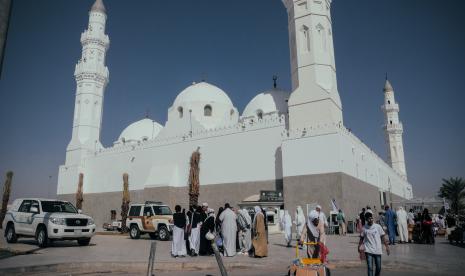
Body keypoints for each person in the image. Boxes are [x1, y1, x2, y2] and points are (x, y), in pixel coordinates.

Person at [358, 212, 390, 276]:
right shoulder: (364, 228)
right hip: (368, 250)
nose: (371, 220)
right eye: (369, 219)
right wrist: (359, 247)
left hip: (377, 250)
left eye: (371, 218)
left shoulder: (378, 227)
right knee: (370, 268)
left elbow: (383, 237)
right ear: (366, 220)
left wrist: (387, 247)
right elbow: (361, 238)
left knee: (378, 268)